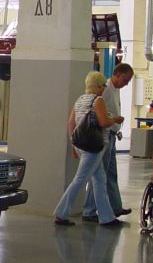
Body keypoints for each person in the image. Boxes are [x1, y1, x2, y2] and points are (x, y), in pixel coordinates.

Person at [53, 71, 124, 227]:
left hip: (81, 145)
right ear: (98, 86)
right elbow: (104, 122)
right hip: (94, 146)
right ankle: (61, 213)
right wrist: (116, 119)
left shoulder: (80, 99)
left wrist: (73, 145)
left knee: (100, 180)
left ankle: (106, 217)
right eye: (103, 85)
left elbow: (71, 123)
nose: (104, 88)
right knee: (80, 180)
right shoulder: (98, 100)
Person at [81, 62, 134, 221]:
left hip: (112, 136)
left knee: (111, 173)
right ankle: (89, 210)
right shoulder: (106, 90)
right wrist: (113, 120)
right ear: (117, 74)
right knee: (99, 174)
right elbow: (97, 112)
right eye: (125, 79)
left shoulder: (116, 90)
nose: (126, 83)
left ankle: (115, 207)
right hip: (104, 135)